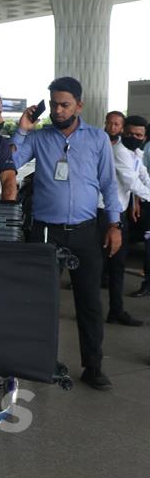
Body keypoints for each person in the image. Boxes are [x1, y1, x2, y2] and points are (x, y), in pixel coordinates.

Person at [12, 78, 122, 389]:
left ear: (79, 105)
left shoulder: (98, 139)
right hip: (46, 231)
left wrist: (114, 225)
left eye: (65, 105)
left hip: (87, 231)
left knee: (89, 302)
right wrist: (23, 129)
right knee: (41, 301)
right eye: (54, 104)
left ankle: (93, 366)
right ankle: (41, 361)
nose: (58, 110)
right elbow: (11, 161)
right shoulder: (40, 138)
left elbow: (108, 185)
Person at [101, 112, 150, 325]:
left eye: (139, 135)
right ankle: (94, 312)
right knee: (100, 266)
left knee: (117, 266)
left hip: (120, 212)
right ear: (123, 132)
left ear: (145, 137)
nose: (134, 137)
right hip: (104, 214)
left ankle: (115, 311)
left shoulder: (136, 153)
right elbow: (132, 183)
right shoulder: (119, 152)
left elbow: (143, 177)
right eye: (129, 133)